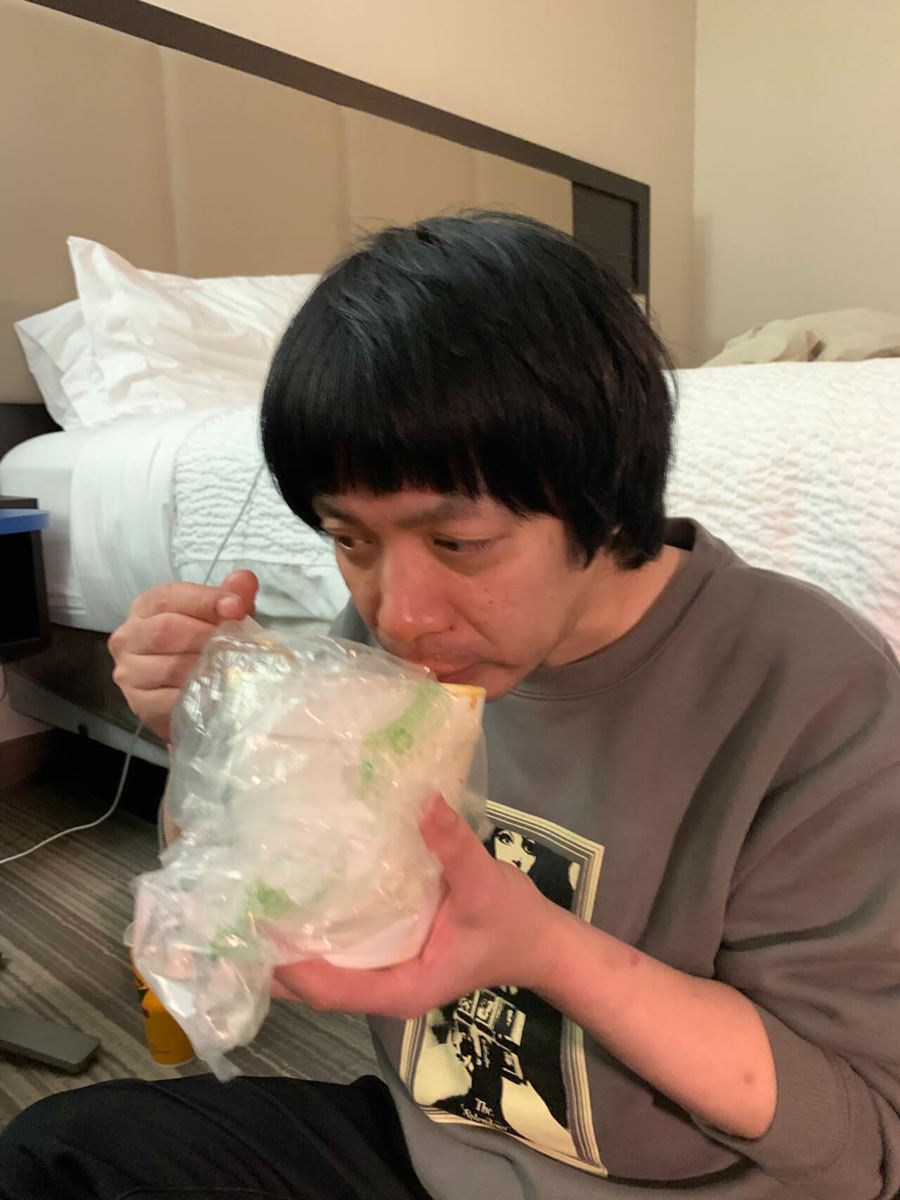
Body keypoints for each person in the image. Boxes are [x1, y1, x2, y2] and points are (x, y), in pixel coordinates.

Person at [2, 211, 899, 1200]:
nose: (401, 614)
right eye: (351, 540)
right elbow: (269, 915)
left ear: (603, 494)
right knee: (63, 1152)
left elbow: (864, 1143)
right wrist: (217, 747)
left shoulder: (807, 688)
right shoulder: (379, 643)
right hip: (436, 1158)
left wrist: (546, 950)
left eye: (459, 543)